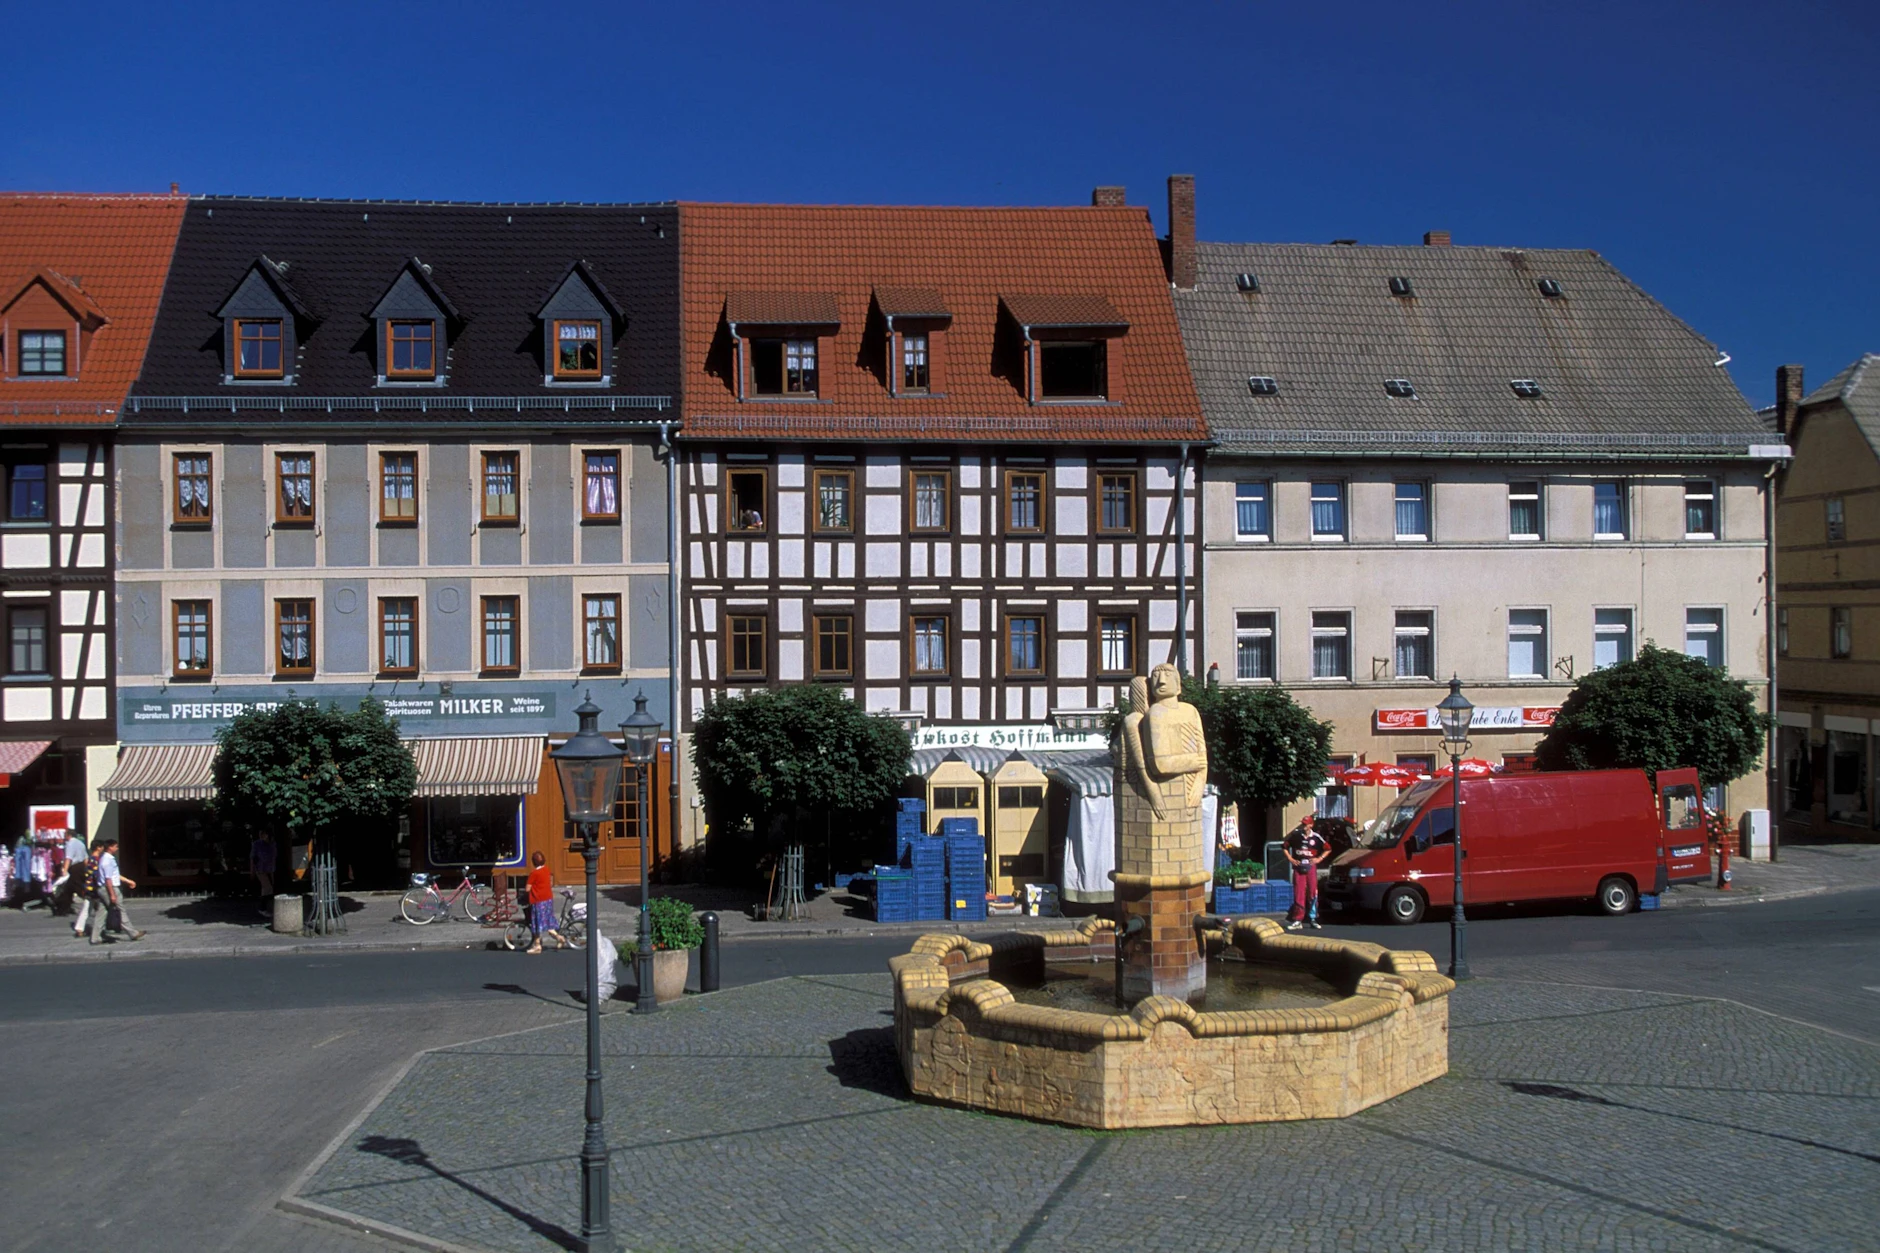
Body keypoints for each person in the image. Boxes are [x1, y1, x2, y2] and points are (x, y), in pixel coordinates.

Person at [88, 838, 145, 944]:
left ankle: (95, 937)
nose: (117, 848)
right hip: (109, 888)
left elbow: (114, 875)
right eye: (115, 846)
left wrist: (127, 881)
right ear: (110, 847)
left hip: (103, 888)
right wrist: (112, 894)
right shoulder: (107, 861)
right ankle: (132, 933)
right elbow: (108, 879)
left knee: (101, 912)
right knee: (119, 910)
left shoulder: (104, 859)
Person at [1284, 814, 1332, 932]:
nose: (1303, 826)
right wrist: (1290, 859)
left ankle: (1313, 918)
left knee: (1312, 892)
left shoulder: (1316, 837)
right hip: (1299, 867)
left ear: (1311, 825)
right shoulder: (1296, 835)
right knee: (1299, 892)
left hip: (1311, 867)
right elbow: (1284, 846)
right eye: (1303, 824)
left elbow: (1328, 849)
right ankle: (1297, 919)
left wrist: (1319, 859)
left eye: (1306, 824)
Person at [523, 851, 567, 954]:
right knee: (547, 920)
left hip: (538, 901)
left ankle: (553, 939)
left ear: (533, 862)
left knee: (537, 923)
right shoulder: (546, 869)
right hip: (548, 899)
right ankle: (539, 943)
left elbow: (527, 889)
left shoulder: (534, 873)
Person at [250, 831, 276, 907]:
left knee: (267, 888)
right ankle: (263, 907)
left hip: (270, 869)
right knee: (267, 888)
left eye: (264, 834)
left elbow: (273, 857)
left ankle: (266, 906)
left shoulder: (272, 844)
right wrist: (252, 871)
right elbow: (252, 858)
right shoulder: (257, 844)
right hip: (260, 869)